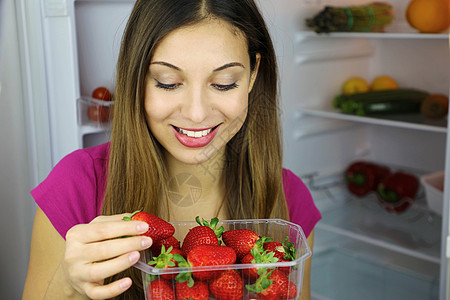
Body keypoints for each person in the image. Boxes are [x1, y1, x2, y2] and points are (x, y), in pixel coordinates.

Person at [22, 0, 321, 299]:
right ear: (137, 78)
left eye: (223, 83)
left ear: (253, 74)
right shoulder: (76, 184)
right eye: (168, 82)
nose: (196, 113)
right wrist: (67, 283)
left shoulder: (290, 197)